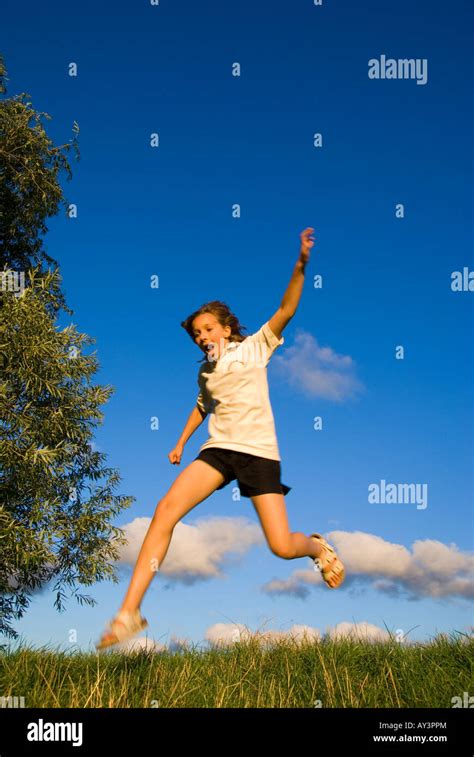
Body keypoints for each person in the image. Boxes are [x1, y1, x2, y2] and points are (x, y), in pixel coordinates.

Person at [95, 228, 345, 650]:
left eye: (208, 328)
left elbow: (286, 308)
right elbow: (201, 405)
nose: (202, 337)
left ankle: (317, 548)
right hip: (216, 452)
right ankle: (129, 613)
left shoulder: (255, 349)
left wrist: (301, 264)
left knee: (281, 547)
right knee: (164, 511)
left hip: (258, 453)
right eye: (196, 334)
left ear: (226, 330)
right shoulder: (205, 373)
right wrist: (179, 443)